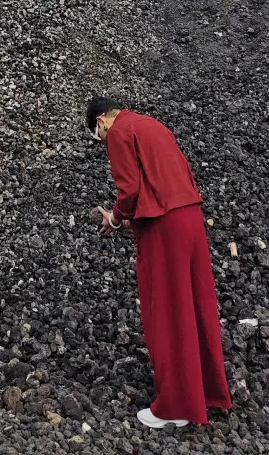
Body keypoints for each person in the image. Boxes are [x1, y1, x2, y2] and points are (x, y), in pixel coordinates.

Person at [86, 95, 231, 430]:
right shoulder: (153, 125)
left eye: (98, 135)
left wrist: (117, 218)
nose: (102, 140)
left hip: (163, 226)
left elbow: (130, 189)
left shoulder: (120, 132)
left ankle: (176, 407)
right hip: (190, 219)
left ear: (102, 121)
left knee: (167, 309)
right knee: (196, 304)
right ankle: (207, 392)